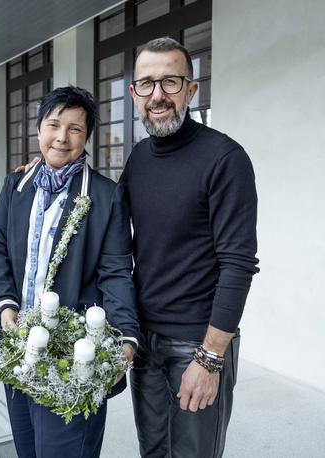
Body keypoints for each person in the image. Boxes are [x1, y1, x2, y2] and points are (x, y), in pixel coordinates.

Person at [120, 37, 259, 458]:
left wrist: (210, 358)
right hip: (145, 343)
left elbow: (238, 264)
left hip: (198, 346)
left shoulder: (225, 159)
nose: (158, 95)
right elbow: (104, 224)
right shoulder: (138, 159)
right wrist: (51, 166)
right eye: (147, 83)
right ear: (134, 94)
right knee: (154, 453)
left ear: (191, 89)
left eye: (171, 82)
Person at [0, 86, 138, 458]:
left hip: (71, 358)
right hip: (15, 348)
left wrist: (127, 338)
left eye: (74, 129)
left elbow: (116, 272)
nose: (61, 137)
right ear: (38, 130)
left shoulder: (105, 196)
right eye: (53, 125)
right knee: (28, 449)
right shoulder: (15, 186)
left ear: (86, 137)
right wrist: (5, 304)